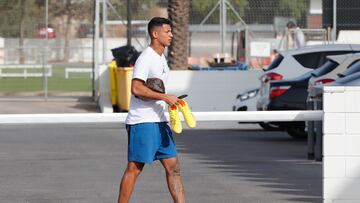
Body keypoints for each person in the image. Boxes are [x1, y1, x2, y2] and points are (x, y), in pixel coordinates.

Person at [117, 17, 185, 203]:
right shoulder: (146, 58)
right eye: (167, 31)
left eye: (171, 31)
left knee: (174, 168)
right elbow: (136, 88)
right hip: (143, 122)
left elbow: (155, 89)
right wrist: (165, 97)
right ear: (155, 34)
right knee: (135, 169)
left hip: (160, 121)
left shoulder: (162, 58)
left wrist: (170, 100)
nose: (171, 35)